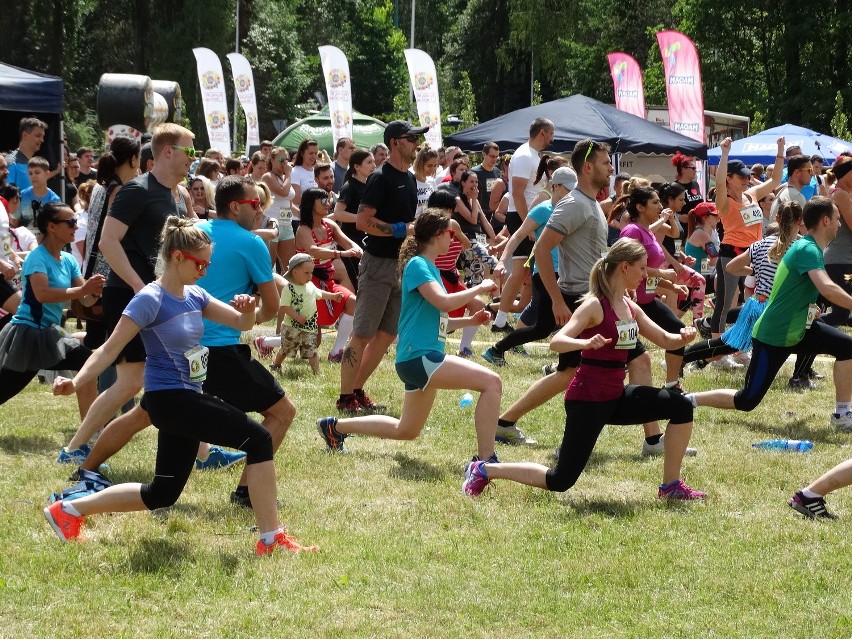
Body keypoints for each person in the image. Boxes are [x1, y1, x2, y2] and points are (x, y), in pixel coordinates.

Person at [45, 217, 316, 555]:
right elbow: (107, 350)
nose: (204, 271)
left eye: (207, 264)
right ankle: (270, 538)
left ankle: (68, 510)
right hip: (170, 400)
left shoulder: (196, 295)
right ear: (177, 256)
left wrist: (248, 310)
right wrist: (75, 382)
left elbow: (241, 323)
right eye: (199, 263)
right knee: (259, 439)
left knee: (162, 493)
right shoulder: (150, 299)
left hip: (184, 399)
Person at [461, 237, 704, 501]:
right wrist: (585, 342)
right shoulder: (594, 305)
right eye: (642, 268)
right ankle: (484, 469)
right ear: (624, 267)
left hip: (616, 396)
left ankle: (670, 487)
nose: (646, 275)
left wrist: (683, 337)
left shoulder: (630, 307)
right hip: (587, 400)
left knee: (680, 406)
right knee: (560, 480)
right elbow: (557, 342)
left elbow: (664, 339)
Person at [59, 123, 195, 466]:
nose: (193, 159)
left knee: (183, 372)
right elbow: (107, 241)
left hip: (162, 297)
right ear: (167, 151)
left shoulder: (178, 195)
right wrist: (138, 285)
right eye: (189, 151)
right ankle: (75, 448)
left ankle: (202, 452)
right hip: (132, 294)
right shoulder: (137, 190)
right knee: (131, 382)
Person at [316, 209, 499, 460]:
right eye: (450, 233)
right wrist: (480, 287)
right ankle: (487, 460)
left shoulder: (429, 267)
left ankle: (334, 427)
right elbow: (443, 302)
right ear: (436, 235)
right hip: (419, 357)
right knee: (492, 382)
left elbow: (437, 319)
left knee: (406, 430)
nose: (454, 239)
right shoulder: (418, 265)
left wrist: (470, 319)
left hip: (418, 358)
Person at [684, 197, 852, 431]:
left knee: (846, 347)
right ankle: (689, 399)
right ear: (825, 221)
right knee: (746, 400)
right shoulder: (808, 249)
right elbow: (827, 288)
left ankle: (843, 415)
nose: (840, 224)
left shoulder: (809, 247)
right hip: (774, 333)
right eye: (836, 219)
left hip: (799, 329)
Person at [337, 120, 426, 414]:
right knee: (362, 333)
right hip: (377, 265)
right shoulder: (380, 178)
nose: (417, 143)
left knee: (386, 334)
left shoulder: (411, 179)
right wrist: (403, 230)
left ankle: (357, 390)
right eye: (411, 138)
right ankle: (345, 397)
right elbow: (363, 222)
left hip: (400, 265)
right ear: (395, 143)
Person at [0, 203, 105, 414]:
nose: (76, 227)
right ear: (52, 227)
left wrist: (95, 293)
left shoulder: (68, 260)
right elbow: (42, 294)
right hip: (27, 334)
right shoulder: (36, 257)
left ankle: (90, 435)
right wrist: (82, 289)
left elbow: (83, 300)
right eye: (70, 222)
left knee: (88, 362)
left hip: (48, 332)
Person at [483, 167, 577, 372]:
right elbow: (517, 235)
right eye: (567, 189)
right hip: (545, 273)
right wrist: (502, 260)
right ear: (556, 187)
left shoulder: (571, 210)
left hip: (565, 273)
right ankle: (563, 366)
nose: (571, 193)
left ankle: (497, 349)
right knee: (566, 319)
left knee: (543, 328)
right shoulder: (543, 209)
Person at [701, 137, 784, 348]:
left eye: (748, 176)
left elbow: (775, 180)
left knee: (751, 301)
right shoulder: (724, 201)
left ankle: (740, 344)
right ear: (729, 178)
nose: (747, 180)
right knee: (725, 301)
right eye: (741, 176)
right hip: (732, 252)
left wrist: (780, 151)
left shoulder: (752, 194)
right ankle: (716, 348)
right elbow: (718, 182)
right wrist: (725, 153)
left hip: (755, 252)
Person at [493, 118, 555, 333]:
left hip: (528, 216)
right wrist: (528, 223)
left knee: (527, 272)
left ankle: (516, 320)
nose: (553, 139)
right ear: (542, 133)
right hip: (521, 216)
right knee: (521, 272)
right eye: (551, 134)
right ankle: (502, 320)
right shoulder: (523, 155)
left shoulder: (533, 156)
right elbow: (517, 193)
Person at [294, 187, 359, 360]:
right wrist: (340, 254)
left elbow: (348, 243)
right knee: (312, 339)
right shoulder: (303, 230)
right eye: (322, 200)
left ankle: (336, 352)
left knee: (352, 301)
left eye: (328, 199)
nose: (328, 203)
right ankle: (266, 342)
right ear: (310, 204)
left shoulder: (330, 225)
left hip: (328, 282)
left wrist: (360, 251)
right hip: (308, 285)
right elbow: (313, 251)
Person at [269, 253, 342, 374]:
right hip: (291, 326)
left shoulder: (310, 285)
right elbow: (284, 307)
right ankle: (276, 365)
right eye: (306, 273)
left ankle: (317, 372)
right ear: (295, 272)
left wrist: (333, 296)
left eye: (311, 272)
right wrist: (296, 316)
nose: (310, 276)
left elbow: (319, 293)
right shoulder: (289, 288)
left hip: (309, 326)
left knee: (311, 349)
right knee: (287, 348)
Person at [332, 149, 375, 292]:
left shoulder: (370, 185)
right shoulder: (349, 186)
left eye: (374, 162)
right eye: (369, 162)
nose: (373, 165)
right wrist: (362, 219)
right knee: (359, 284)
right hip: (351, 241)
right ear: (357, 166)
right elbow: (338, 213)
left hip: (367, 239)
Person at [818, 158, 852, 327]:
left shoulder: (840, 192)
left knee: (841, 313)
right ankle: (806, 335)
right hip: (841, 262)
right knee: (840, 314)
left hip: (841, 261)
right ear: (847, 174)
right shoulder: (841, 194)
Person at [261, 147, 296, 269]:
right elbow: (284, 192)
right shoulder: (268, 176)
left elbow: (288, 201)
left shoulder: (285, 177)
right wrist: (288, 174)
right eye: (281, 160)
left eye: (286, 160)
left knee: (290, 266)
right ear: (272, 160)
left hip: (286, 224)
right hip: (272, 224)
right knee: (268, 265)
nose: (284, 163)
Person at [14, 156, 61, 235]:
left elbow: (55, 228)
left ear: (47, 174)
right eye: (30, 173)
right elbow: (15, 221)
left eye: (37, 172)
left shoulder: (54, 199)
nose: (33, 176)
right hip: (24, 242)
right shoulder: (21, 195)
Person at [6, 117, 48, 191]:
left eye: (42, 136)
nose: (42, 140)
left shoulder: (36, 164)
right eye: (38, 136)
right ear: (25, 135)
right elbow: (5, 197)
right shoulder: (11, 163)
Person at [290, 139, 319, 232]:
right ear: (302, 153)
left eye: (315, 153)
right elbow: (295, 198)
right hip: (299, 219)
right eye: (310, 153)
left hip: (315, 218)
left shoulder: (316, 171)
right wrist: (315, 203)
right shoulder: (295, 171)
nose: (314, 156)